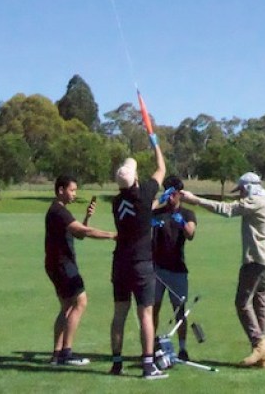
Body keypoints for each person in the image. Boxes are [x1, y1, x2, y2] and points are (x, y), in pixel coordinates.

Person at [181, 171, 265, 369]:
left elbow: (227, 209)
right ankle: (263, 353)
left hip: (256, 260)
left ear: (249, 188)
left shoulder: (255, 202)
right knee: (261, 302)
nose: (241, 194)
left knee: (242, 303)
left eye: (242, 190)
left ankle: (259, 345)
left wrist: (195, 200)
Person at [109, 145, 167, 379]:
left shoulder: (116, 202)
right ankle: (147, 365)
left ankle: (116, 363)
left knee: (119, 314)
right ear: (135, 179)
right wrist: (155, 145)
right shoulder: (144, 193)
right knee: (146, 314)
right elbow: (161, 169)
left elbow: (140, 209)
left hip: (120, 263)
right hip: (141, 263)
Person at [44, 174, 114, 367]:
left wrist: (87, 217)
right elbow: (85, 232)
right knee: (81, 302)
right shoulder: (59, 211)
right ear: (61, 190)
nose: (74, 194)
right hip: (63, 265)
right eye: (72, 190)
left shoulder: (60, 211)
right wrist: (113, 235)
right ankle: (67, 353)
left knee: (66, 307)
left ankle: (56, 355)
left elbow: (79, 233)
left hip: (55, 265)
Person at [151, 176, 197, 361]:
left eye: (173, 193)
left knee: (179, 309)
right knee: (153, 308)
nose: (170, 197)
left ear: (180, 194)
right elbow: (144, 211)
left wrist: (182, 223)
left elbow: (191, 234)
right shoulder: (157, 213)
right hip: (156, 269)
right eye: (167, 193)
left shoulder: (187, 214)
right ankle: (151, 346)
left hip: (177, 269)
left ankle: (183, 348)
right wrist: (159, 201)